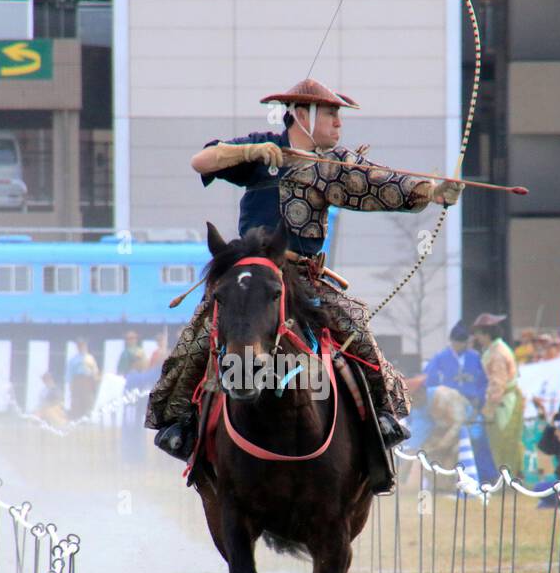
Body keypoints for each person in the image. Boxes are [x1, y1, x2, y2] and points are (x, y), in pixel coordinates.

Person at [146, 77, 464, 473]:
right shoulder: (262, 150)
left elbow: (382, 184)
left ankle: (382, 417)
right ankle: (181, 424)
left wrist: (433, 190)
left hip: (303, 277)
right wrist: (253, 151)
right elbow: (202, 161)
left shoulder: (334, 167)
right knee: (199, 336)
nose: (338, 122)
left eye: (337, 115)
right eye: (331, 113)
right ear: (301, 114)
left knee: (357, 331)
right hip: (252, 274)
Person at [470, 312, 524, 478]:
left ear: (486, 333)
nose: (477, 337)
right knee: (503, 440)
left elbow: (497, 384)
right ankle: (507, 476)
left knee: (503, 440)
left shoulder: (497, 353)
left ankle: (509, 478)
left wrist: (489, 409)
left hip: (503, 401)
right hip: (504, 398)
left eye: (478, 333)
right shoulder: (494, 349)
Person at [67, 338, 101, 421]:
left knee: (88, 400)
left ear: (86, 346)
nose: (81, 347)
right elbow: (69, 373)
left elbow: (94, 370)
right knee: (76, 400)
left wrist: (95, 380)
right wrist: (70, 384)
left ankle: (88, 419)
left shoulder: (90, 358)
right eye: (79, 346)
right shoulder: (73, 359)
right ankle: (76, 420)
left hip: (87, 381)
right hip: (77, 381)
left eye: (83, 345)